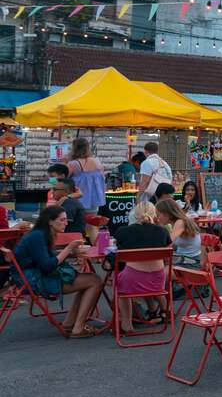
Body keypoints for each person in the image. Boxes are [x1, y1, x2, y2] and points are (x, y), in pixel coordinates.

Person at [13, 205, 103, 338]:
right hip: (34, 280)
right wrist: (68, 249)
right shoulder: (37, 236)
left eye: (66, 219)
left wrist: (70, 252)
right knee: (95, 281)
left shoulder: (40, 234)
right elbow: (47, 266)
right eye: (62, 220)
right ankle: (78, 328)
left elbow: (45, 259)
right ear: (50, 221)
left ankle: (70, 323)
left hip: (32, 275)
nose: (66, 223)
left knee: (89, 280)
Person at [114, 201, 176, 327]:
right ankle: (163, 311)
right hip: (157, 281)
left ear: (135, 215)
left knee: (116, 278)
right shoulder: (162, 232)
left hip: (132, 281)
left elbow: (117, 254)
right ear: (155, 215)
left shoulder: (123, 231)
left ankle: (126, 323)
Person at [155, 198, 202, 267]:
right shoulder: (178, 222)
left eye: (158, 214)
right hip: (185, 259)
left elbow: (168, 242)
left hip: (192, 263)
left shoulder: (180, 222)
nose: (157, 218)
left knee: (157, 273)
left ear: (167, 213)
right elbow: (173, 246)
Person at [67, 137, 106, 214]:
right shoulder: (97, 162)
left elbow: (63, 179)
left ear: (74, 148)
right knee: (92, 224)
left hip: (77, 200)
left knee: (78, 224)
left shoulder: (73, 164)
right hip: (94, 201)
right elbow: (102, 179)